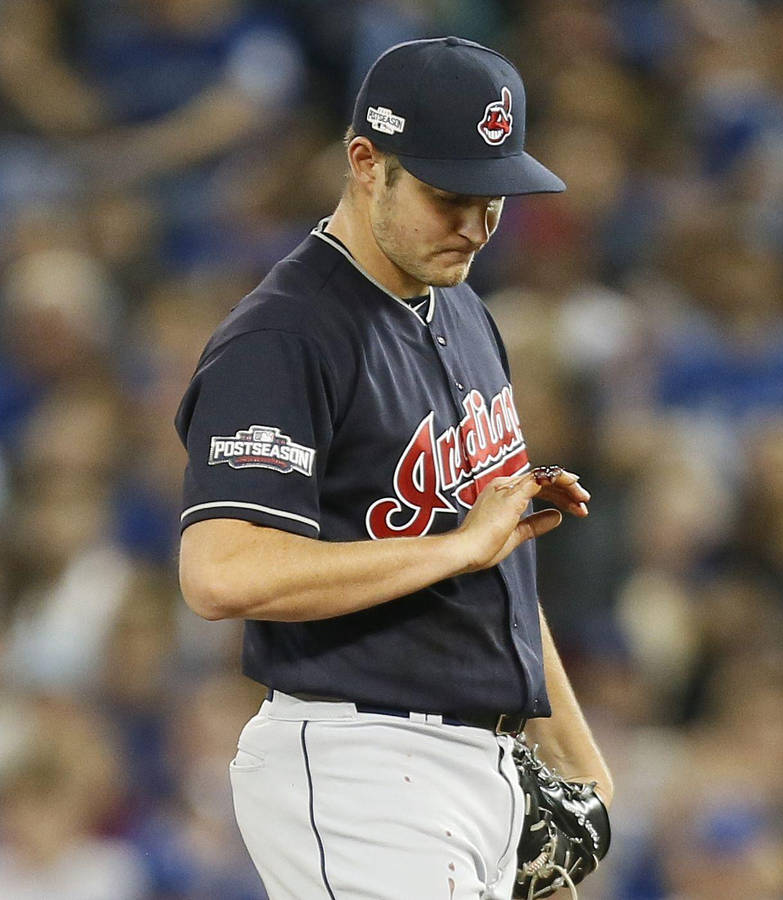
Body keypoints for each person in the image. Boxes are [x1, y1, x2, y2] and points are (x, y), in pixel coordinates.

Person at [176, 36, 613, 900]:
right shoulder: (285, 336)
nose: (478, 226)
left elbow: (504, 566)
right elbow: (220, 573)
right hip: (359, 766)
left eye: (493, 199)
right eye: (449, 196)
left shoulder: (466, 311)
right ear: (365, 162)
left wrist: (581, 766)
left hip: (472, 764)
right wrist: (460, 546)